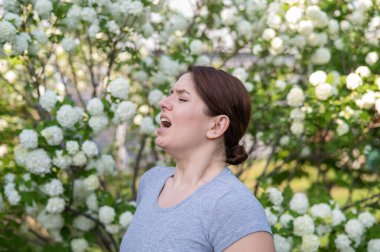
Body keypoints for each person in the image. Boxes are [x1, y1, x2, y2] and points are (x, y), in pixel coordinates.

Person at [120, 66, 275, 252]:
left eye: (182, 98)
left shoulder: (234, 206)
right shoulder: (151, 182)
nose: (163, 102)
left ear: (217, 126)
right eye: (170, 94)